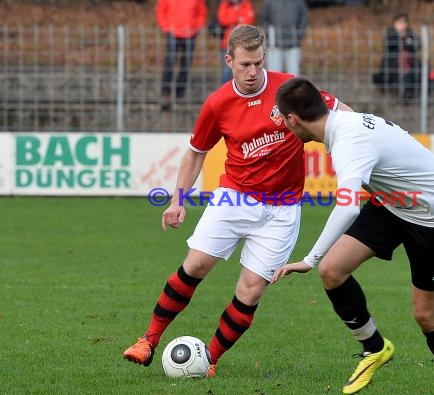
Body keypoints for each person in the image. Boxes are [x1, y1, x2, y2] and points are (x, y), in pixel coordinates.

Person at [123, 25, 351, 376]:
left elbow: (339, 114)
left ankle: (209, 361)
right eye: (244, 64)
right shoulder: (218, 103)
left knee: (251, 289)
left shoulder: (288, 88)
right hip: (234, 197)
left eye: (258, 63)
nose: (252, 72)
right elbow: (196, 153)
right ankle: (148, 340)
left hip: (282, 209)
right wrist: (177, 200)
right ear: (228, 60)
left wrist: (367, 136)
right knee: (195, 265)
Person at [272, 77, 434, 395]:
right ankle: (375, 348)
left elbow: (348, 207)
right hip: (392, 202)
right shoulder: (338, 121)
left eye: (283, 119)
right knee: (333, 270)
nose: (284, 125)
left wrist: (309, 258)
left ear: (294, 120)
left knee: (426, 315)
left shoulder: (349, 143)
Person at [156, 0, 208, 111]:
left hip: (190, 33)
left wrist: (197, 27)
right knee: (170, 62)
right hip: (173, 32)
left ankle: (180, 94)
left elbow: (202, 12)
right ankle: (166, 92)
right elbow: (161, 10)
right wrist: (165, 27)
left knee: (186, 64)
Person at [372, 13, 421, 101]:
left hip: (410, 64)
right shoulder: (390, 33)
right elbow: (391, 44)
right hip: (392, 64)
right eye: (400, 22)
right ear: (395, 23)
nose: (403, 25)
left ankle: (406, 91)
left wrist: (405, 42)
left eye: (405, 22)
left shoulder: (411, 33)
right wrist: (405, 41)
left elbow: (417, 46)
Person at [261, 0, 308, 76]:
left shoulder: (299, 2)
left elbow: (304, 18)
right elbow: (264, 19)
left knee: (293, 73)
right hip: (274, 45)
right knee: (273, 73)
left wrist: (297, 35)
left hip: (293, 44)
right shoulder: (269, 2)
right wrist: (271, 35)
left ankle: (293, 88)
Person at [216, 0, 256, 84]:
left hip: (244, 44)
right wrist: (238, 19)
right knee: (227, 69)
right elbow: (222, 20)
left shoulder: (246, 4)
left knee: (243, 68)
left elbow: (248, 20)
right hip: (227, 43)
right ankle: (226, 91)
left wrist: (231, 20)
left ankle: (241, 90)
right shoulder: (224, 4)